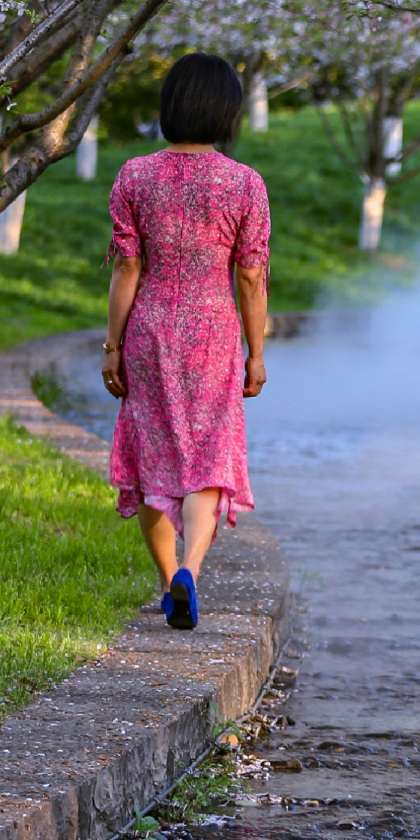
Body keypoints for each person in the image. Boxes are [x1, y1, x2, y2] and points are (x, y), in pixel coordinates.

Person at [103, 51, 269, 630]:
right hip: (213, 332)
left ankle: (166, 574)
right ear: (228, 111)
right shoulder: (245, 184)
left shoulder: (134, 175)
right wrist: (257, 353)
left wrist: (112, 346)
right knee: (207, 457)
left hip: (149, 330)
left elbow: (126, 269)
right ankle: (191, 572)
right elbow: (250, 274)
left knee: (154, 457)